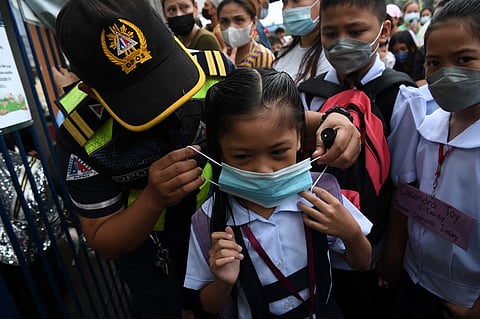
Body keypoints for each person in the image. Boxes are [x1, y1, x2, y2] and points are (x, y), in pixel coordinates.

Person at [54, 0, 362, 318]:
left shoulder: (210, 70)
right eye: (140, 95)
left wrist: (333, 119)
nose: (167, 104)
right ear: (90, 90)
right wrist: (153, 199)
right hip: (156, 258)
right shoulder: (82, 136)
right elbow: (104, 239)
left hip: (227, 233)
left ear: (169, 40)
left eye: (166, 79)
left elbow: (266, 119)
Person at [184, 67, 372, 318]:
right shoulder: (209, 221)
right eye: (242, 156)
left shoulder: (322, 195)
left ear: (299, 137)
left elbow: (362, 262)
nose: (264, 170)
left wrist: (349, 233)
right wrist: (223, 283)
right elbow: (208, 305)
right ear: (219, 149)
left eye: (278, 152)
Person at [301, 0, 417, 318]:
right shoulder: (309, 94)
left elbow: (404, 187)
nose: (341, 42)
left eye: (355, 31)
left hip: (373, 252)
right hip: (315, 250)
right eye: (330, 33)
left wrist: (392, 256)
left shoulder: (401, 98)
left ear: (384, 31)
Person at [381, 0, 480, 318]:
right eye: (434, 63)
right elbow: (405, 195)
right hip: (413, 278)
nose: (447, 74)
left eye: (464, 59)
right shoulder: (425, 123)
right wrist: (394, 259)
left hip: (461, 299)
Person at [273, 0, 332, 85]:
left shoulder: (332, 55)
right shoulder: (285, 50)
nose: (287, 9)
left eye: (296, 0)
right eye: (284, 2)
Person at [217, 0, 274, 68]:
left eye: (239, 20)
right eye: (224, 21)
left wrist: (231, 69)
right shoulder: (220, 56)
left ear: (254, 23)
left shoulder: (262, 56)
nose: (231, 27)